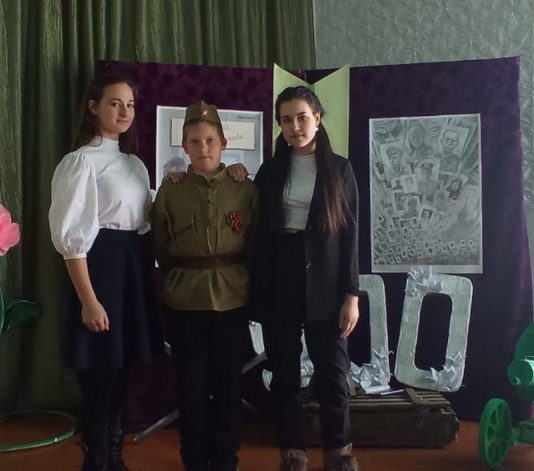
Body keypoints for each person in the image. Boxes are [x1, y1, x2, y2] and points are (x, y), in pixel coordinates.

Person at [249, 86, 361, 471]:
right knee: (285, 373)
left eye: (302, 117)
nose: (295, 127)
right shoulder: (270, 171)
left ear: (318, 118)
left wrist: (352, 294)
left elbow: (351, 235)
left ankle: (339, 452)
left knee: (333, 374)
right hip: (280, 278)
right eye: (286, 120)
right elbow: (256, 226)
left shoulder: (340, 169)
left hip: (327, 281)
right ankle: (292, 451)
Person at [48, 73, 155, 471]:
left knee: (123, 371)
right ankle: (96, 460)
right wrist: (89, 300)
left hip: (131, 270)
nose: (124, 112)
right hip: (99, 271)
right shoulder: (80, 162)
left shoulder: (134, 164)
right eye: (115, 103)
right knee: (101, 374)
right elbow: (72, 239)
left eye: (130, 105)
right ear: (93, 107)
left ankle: (114, 456)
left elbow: (145, 220)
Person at [151, 101, 258, 471]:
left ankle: (227, 459)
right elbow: (161, 245)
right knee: (191, 387)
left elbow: (256, 240)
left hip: (233, 297)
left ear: (224, 143)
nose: (203, 148)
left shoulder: (244, 189)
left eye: (211, 140)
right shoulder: (172, 191)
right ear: (184, 147)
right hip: (185, 300)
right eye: (194, 141)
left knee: (229, 386)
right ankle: (194, 460)